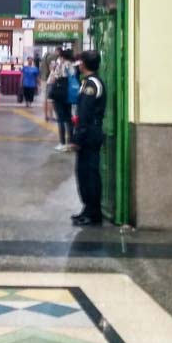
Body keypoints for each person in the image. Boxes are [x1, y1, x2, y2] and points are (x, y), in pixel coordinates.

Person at [71, 49, 106, 226]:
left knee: (89, 174)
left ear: (83, 64)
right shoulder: (88, 82)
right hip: (89, 131)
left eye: (80, 62)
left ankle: (93, 213)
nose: (78, 64)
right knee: (83, 173)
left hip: (89, 133)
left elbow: (84, 114)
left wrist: (78, 138)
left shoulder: (92, 84)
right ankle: (88, 209)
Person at [51, 47, 75, 151]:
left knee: (60, 119)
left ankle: (62, 143)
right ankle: (71, 143)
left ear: (62, 57)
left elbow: (53, 78)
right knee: (69, 119)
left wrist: (53, 69)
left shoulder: (61, 65)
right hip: (69, 94)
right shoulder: (72, 65)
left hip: (59, 94)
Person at [40, 49, 58, 120]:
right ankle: (51, 115)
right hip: (49, 79)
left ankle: (46, 115)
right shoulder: (52, 57)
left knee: (45, 98)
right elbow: (52, 69)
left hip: (43, 79)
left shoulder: (44, 58)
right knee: (50, 98)